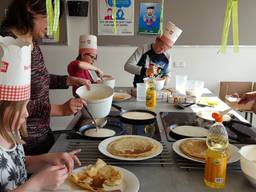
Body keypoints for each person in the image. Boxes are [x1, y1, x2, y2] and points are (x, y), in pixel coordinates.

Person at [0, 0, 90, 155]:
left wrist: (66, 80)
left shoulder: (30, 40)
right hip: (19, 146)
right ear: (31, 7)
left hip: (42, 137)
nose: (53, 26)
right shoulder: (6, 44)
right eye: (51, 18)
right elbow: (8, 104)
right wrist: (59, 109)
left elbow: (37, 78)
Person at [0, 36, 81, 191]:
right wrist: (37, 184)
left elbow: (20, 166)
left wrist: (47, 159)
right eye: (21, 107)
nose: (26, 113)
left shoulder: (12, 131)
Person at [124, 21, 182, 89]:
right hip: (140, 89)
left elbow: (167, 74)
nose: (161, 51)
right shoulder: (143, 49)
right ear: (157, 40)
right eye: (160, 47)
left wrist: (166, 79)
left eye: (164, 50)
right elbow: (127, 66)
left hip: (157, 90)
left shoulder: (167, 56)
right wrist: (145, 71)